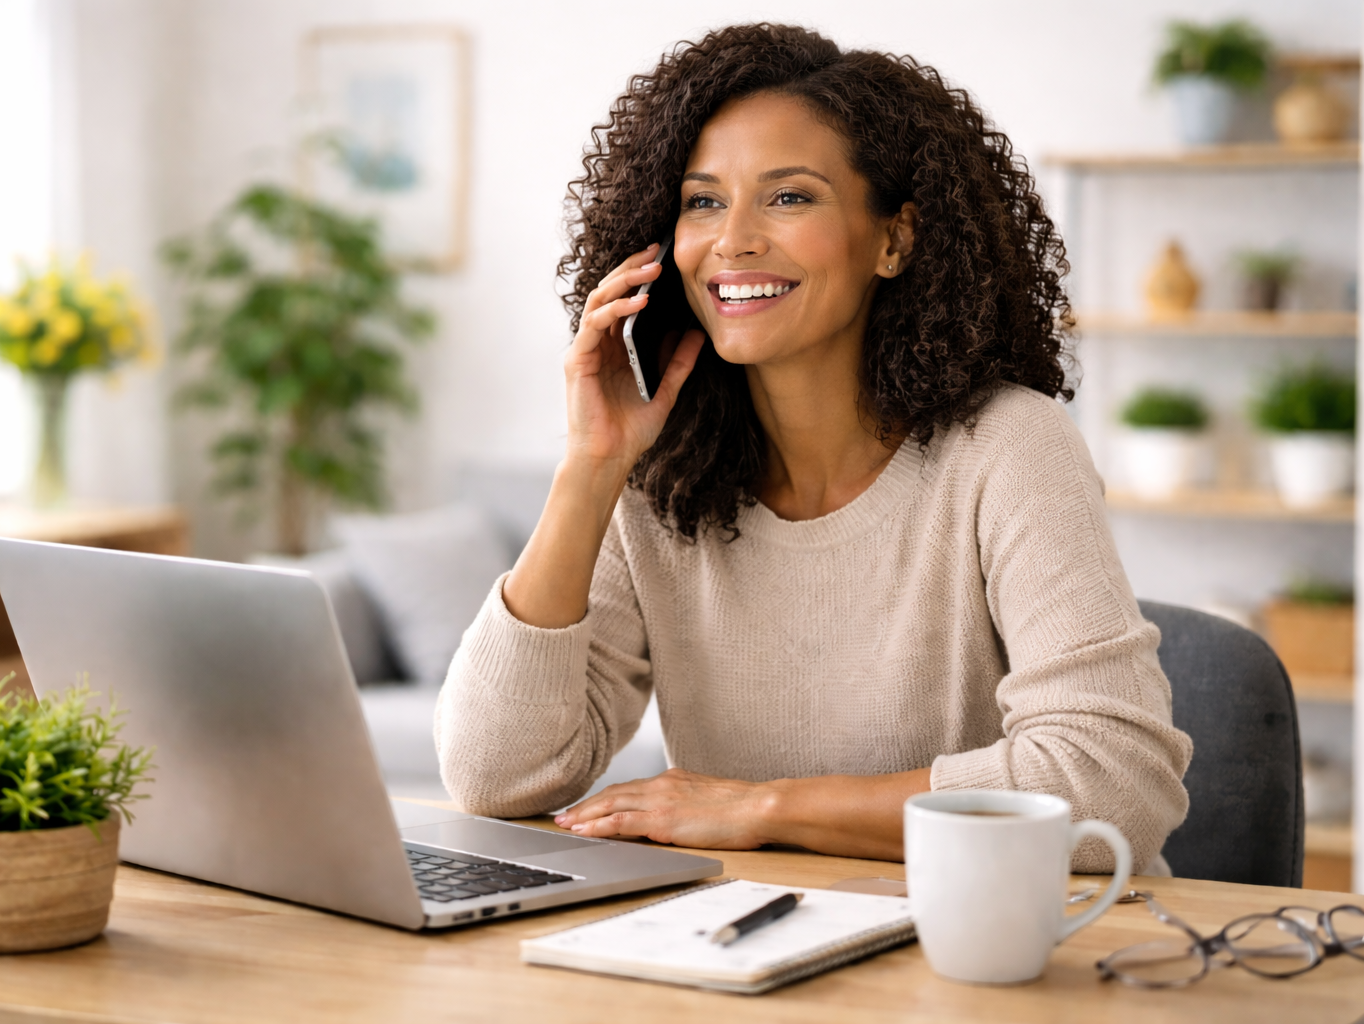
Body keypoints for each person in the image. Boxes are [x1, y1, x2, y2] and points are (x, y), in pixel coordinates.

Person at [435, 23, 1191, 872]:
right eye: (703, 200)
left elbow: (1115, 784)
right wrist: (592, 467)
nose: (734, 240)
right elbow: (494, 776)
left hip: (997, 950)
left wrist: (764, 808)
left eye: (789, 197)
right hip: (756, 952)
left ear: (894, 240)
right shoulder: (665, 475)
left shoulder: (1007, 448)